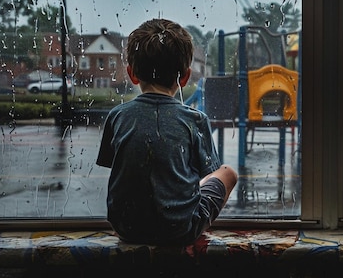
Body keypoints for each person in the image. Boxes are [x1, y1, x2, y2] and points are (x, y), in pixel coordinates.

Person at [96, 18, 238, 245]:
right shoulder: (195, 119)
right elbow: (207, 172)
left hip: (126, 228)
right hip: (180, 230)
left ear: (132, 74)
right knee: (227, 172)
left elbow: (121, 167)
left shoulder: (117, 116)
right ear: (184, 77)